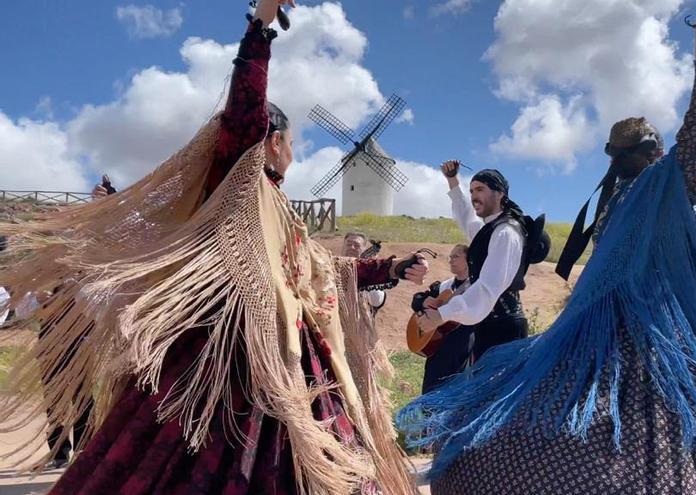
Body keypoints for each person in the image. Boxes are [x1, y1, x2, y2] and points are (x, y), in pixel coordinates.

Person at [0, 2, 425, 493]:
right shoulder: (239, 186)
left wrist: (391, 266)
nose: (294, 151)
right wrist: (260, 31)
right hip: (230, 355)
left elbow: (326, 268)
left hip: (288, 356)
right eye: (290, 141)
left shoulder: (282, 214)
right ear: (271, 142)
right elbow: (243, 116)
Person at [399, 13, 696, 494]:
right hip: (659, 329)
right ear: (656, 154)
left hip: (597, 328)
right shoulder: (659, 187)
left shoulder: (616, 201)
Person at [417, 164, 547, 362]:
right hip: (488, 324)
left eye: (480, 190)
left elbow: (487, 288)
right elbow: (466, 216)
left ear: (500, 194)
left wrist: (442, 314)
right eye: (471, 191)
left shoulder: (506, 232)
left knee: (498, 392)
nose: (474, 196)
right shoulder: (490, 229)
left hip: (505, 328)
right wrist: (452, 180)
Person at [415, 244, 474, 393]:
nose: (450, 260)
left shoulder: (476, 288)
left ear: (469, 260)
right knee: (431, 389)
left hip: (462, 345)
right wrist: (423, 301)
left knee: (456, 389)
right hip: (438, 346)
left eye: (456, 256)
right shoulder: (444, 286)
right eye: (450, 257)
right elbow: (417, 299)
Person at [342, 231, 387, 315]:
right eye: (348, 244)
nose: (352, 247)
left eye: (357, 245)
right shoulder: (331, 268)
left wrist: (369, 269)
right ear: (342, 247)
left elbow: (376, 301)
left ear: (363, 249)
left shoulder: (371, 271)